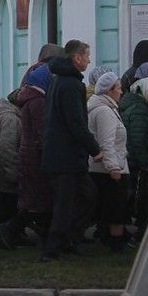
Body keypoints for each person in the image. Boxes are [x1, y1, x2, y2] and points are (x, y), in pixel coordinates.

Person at [41, 41, 103, 261]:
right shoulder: (70, 84)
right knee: (67, 203)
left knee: (85, 196)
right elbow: (75, 122)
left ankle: (67, 238)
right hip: (65, 155)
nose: (88, 60)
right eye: (87, 56)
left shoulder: (60, 81)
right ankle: (53, 249)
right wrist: (94, 149)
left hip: (62, 153)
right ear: (76, 57)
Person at [0, 64, 53, 249]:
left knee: (35, 201)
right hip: (35, 158)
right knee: (38, 201)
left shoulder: (30, 100)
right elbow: (42, 132)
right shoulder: (38, 102)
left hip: (30, 156)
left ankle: (12, 230)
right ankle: (12, 230)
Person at [87, 73, 131, 252]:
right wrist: (114, 167)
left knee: (110, 209)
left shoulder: (106, 108)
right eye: (119, 87)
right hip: (110, 169)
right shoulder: (105, 111)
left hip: (105, 167)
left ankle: (109, 239)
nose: (121, 91)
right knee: (116, 210)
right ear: (110, 90)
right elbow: (107, 142)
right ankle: (116, 243)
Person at [119, 76, 148, 235]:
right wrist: (145, 163)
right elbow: (138, 138)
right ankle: (138, 231)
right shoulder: (140, 109)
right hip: (138, 161)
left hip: (131, 159)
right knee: (140, 197)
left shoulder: (130, 105)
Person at [0, 77, 22, 226]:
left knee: (4, 204)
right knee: (8, 204)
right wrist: (13, 172)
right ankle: (8, 232)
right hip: (4, 171)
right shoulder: (11, 119)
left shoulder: (5, 115)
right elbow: (7, 148)